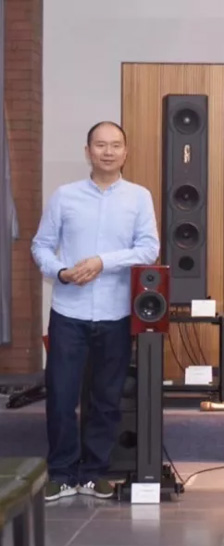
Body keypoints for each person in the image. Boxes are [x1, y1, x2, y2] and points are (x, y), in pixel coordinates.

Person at [31, 121, 159, 501]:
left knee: (106, 399)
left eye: (115, 145)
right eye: (100, 145)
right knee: (61, 396)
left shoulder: (138, 197)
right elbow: (40, 245)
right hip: (68, 312)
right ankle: (61, 473)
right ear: (87, 151)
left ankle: (93, 473)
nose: (108, 152)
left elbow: (149, 249)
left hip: (116, 313)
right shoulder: (65, 196)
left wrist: (103, 261)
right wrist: (61, 272)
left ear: (125, 152)